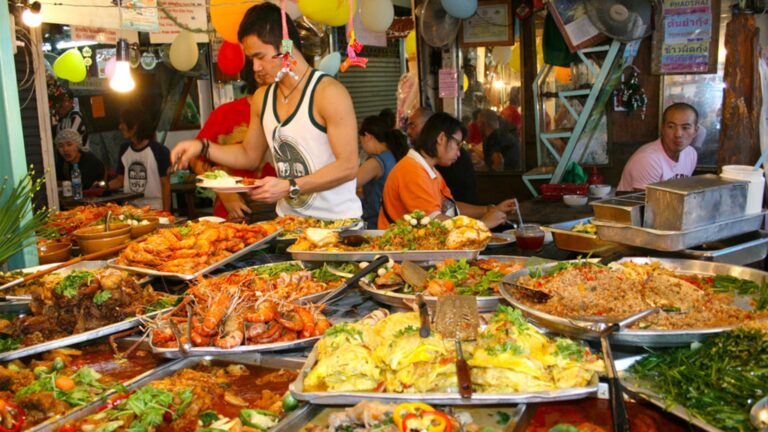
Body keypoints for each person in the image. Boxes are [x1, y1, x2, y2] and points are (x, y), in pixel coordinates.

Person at [171, 2, 361, 220]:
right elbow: (248, 155)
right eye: (251, 59)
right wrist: (202, 147)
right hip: (288, 225)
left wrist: (289, 186)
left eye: (260, 56)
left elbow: (348, 166)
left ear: (286, 46)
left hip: (338, 225)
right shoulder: (263, 98)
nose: (255, 68)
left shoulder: (328, 93)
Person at [379, 112, 516, 229]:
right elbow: (435, 222)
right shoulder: (411, 171)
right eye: (457, 144)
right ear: (441, 138)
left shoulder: (429, 169)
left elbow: (450, 209)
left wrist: (489, 209)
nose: (458, 153)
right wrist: (483, 224)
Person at [190, 62, 277, 221]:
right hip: (232, 215)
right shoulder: (225, 113)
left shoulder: (297, 113)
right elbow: (195, 159)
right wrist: (225, 193)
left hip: (284, 214)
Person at [617, 103, 699, 192]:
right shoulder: (647, 159)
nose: (678, 134)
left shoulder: (691, 154)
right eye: (671, 127)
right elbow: (647, 203)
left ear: (695, 131)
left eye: (685, 128)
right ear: (662, 128)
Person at [108, 107, 171, 211]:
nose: (120, 127)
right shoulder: (124, 149)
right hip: (130, 209)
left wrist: (166, 215)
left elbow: (166, 186)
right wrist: (102, 187)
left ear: (135, 126)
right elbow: (120, 180)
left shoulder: (159, 151)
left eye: (123, 123)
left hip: (154, 209)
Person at [357, 115, 408, 229]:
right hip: (392, 222)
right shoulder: (393, 155)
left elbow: (349, 184)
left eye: (361, 141)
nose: (362, 147)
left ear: (368, 136)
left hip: (376, 224)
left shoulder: (375, 162)